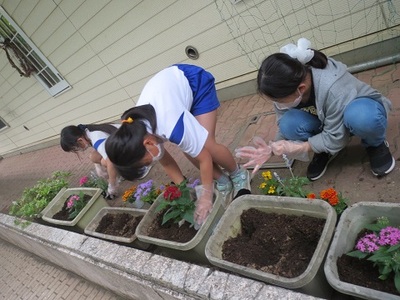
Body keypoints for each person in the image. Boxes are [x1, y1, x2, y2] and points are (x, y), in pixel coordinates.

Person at [105, 64, 251, 225]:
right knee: (189, 149)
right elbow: (166, 162)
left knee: (207, 146)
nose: (151, 163)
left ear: (147, 143)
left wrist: (206, 196)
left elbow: (205, 158)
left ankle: (238, 174)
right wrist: (185, 191)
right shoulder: (136, 133)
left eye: (147, 162)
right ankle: (223, 182)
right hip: (171, 95)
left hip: (195, 83)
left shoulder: (171, 125)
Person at [236, 38, 395, 180]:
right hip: (329, 122)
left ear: (301, 88)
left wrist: (303, 147)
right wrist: (271, 149)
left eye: (279, 100)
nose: (278, 104)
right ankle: (324, 150)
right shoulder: (286, 88)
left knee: (363, 117)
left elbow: (336, 137)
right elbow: (284, 127)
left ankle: (375, 144)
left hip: (359, 110)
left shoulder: (333, 86)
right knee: (288, 123)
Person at [60, 123, 152, 199]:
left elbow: (110, 161)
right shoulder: (87, 131)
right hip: (130, 141)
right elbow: (100, 151)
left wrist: (112, 186)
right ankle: (124, 170)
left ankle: (140, 167)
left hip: (138, 147)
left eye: (76, 148)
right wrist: (98, 167)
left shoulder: (96, 138)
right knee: (93, 157)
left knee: (106, 162)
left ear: (79, 140)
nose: (78, 150)